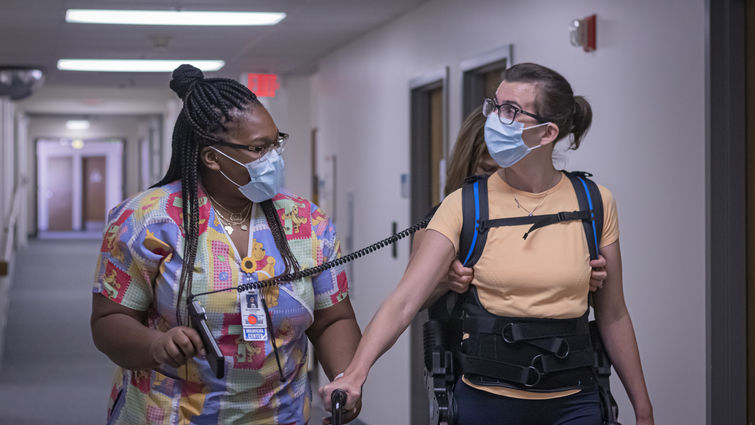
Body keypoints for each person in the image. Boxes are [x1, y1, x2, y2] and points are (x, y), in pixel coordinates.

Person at [321, 63, 654, 425]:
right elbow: (404, 301)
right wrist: (355, 372)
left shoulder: (594, 202)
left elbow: (614, 314)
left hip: (575, 402)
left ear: (547, 133)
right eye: (494, 105)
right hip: (487, 401)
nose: (495, 118)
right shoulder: (464, 205)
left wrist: (643, 408)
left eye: (510, 110)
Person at [91, 64, 361, 425]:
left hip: (282, 415)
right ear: (213, 157)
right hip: (170, 414)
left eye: (276, 143)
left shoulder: (306, 222)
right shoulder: (146, 220)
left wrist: (346, 379)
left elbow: (332, 318)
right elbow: (109, 320)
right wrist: (155, 346)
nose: (274, 158)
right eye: (258, 148)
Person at [417, 105, 608, 309]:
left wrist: (582, 276)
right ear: (467, 164)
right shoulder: (443, 216)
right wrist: (443, 278)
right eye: (488, 170)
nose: (500, 180)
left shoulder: (558, 213)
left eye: (510, 170)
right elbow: (410, 301)